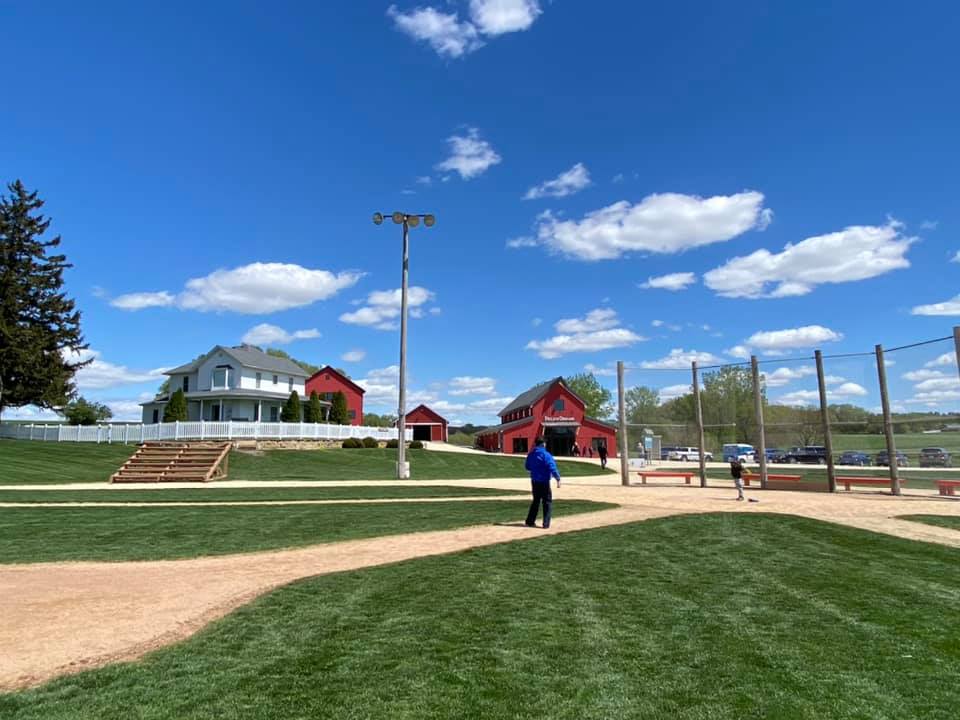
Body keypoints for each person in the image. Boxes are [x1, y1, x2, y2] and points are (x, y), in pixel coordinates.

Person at [524, 437, 561, 528]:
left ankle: (530, 521)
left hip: (534, 481)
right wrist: (558, 478)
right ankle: (546, 523)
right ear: (543, 444)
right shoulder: (546, 455)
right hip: (544, 481)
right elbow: (552, 467)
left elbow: (527, 467)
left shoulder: (531, 454)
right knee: (547, 502)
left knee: (536, 501)